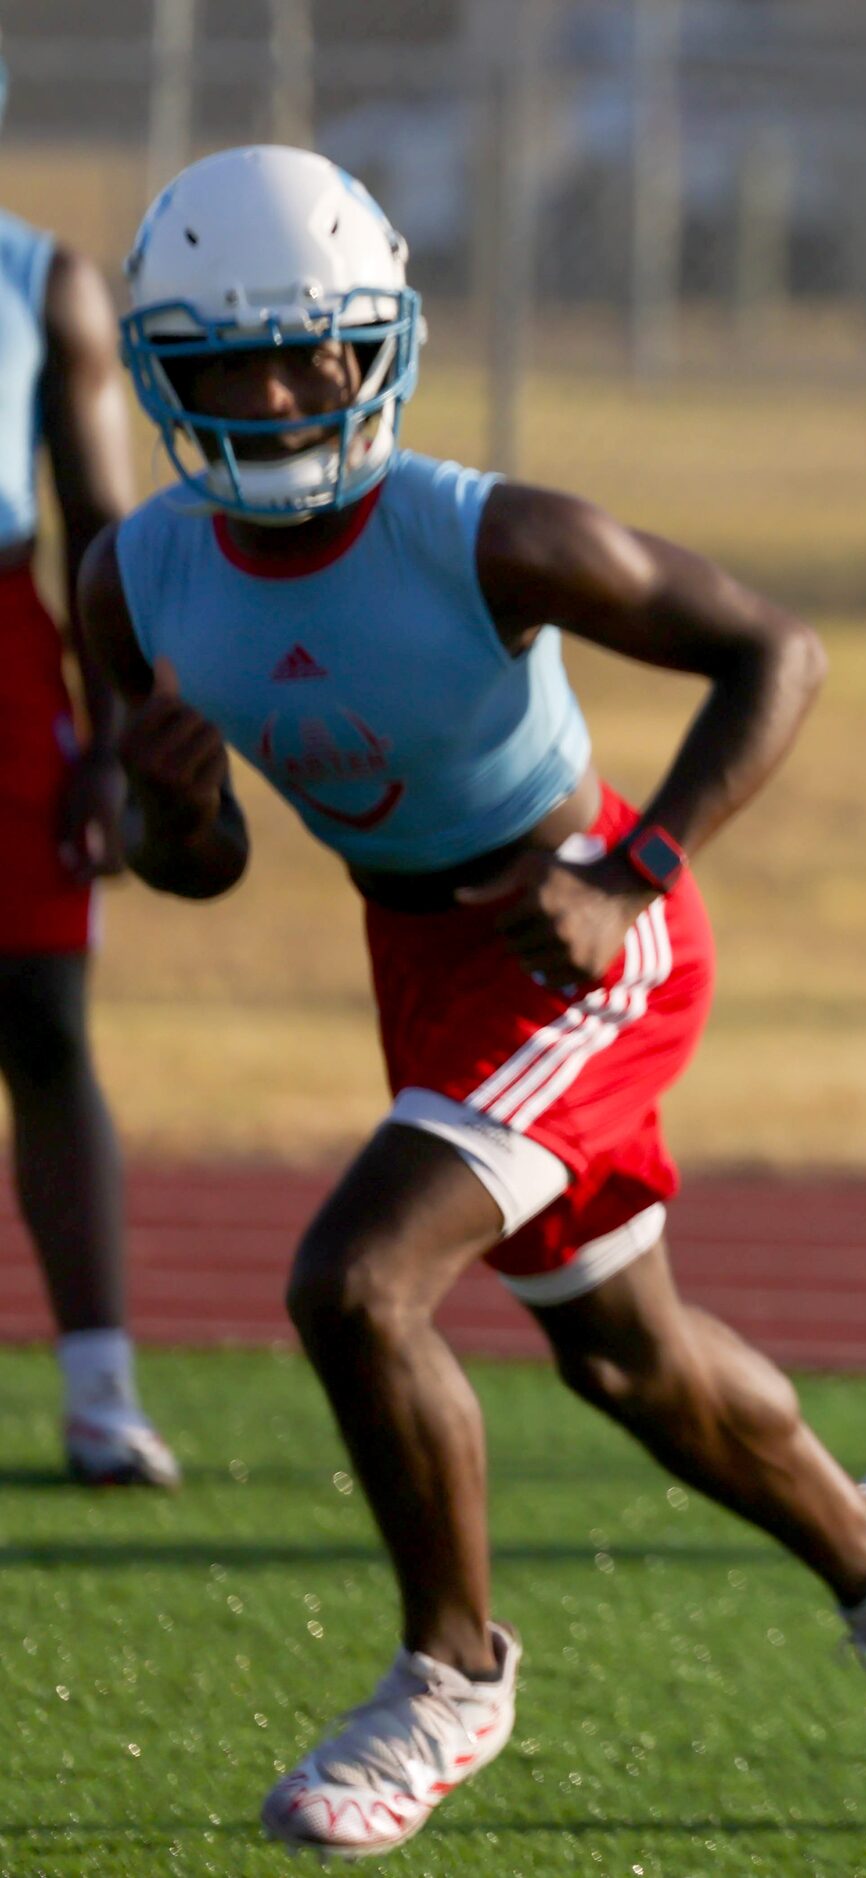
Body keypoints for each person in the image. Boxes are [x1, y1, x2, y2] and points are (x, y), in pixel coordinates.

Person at [81, 147, 866, 1856]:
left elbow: (774, 650)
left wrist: (635, 869)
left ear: (378, 352)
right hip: (421, 961)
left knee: (354, 1284)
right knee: (626, 1359)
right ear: (163, 375)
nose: (276, 398)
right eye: (228, 365)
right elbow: (188, 865)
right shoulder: (136, 578)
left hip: (579, 926)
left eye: (309, 354)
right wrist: (176, 805)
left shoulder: (485, 532)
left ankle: (451, 1672)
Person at [0, 52, 172, 1488]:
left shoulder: (40, 280)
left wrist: (116, 743)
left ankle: (101, 1384)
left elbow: (103, 523)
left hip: (5, 657)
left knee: (44, 1022)